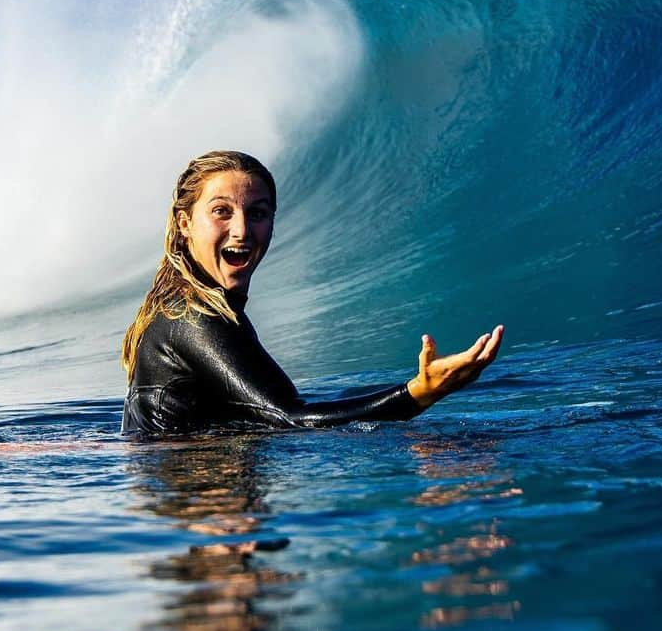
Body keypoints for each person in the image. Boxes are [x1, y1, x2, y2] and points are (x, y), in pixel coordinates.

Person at [121, 150, 503, 435]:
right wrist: (418, 393)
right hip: (202, 499)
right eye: (221, 211)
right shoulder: (193, 319)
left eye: (258, 213)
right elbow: (292, 417)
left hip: (192, 496)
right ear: (185, 224)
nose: (242, 230)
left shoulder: (193, 312)